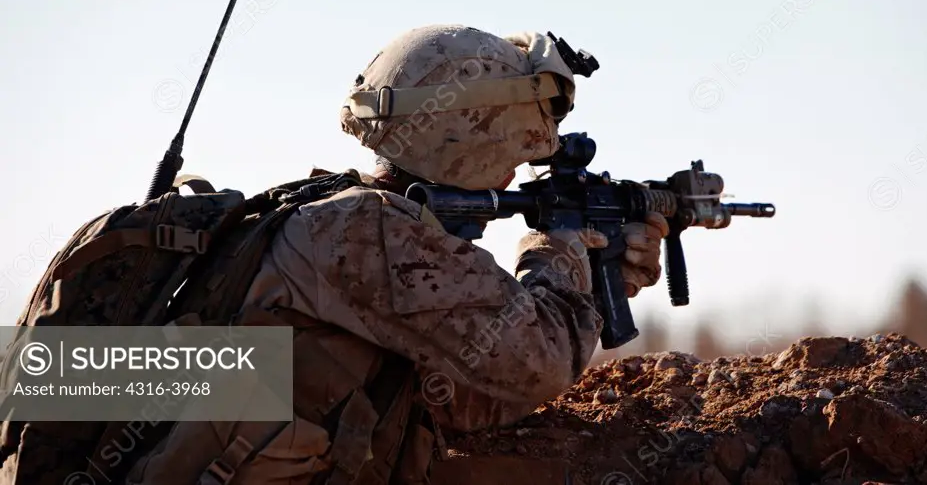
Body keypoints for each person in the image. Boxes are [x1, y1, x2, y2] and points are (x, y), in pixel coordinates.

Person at [125, 24, 669, 484]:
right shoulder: (370, 231)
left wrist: (597, 279)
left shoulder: (332, 213)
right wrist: (563, 252)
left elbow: (463, 400)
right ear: (466, 147)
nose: (511, 176)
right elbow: (537, 361)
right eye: (511, 154)